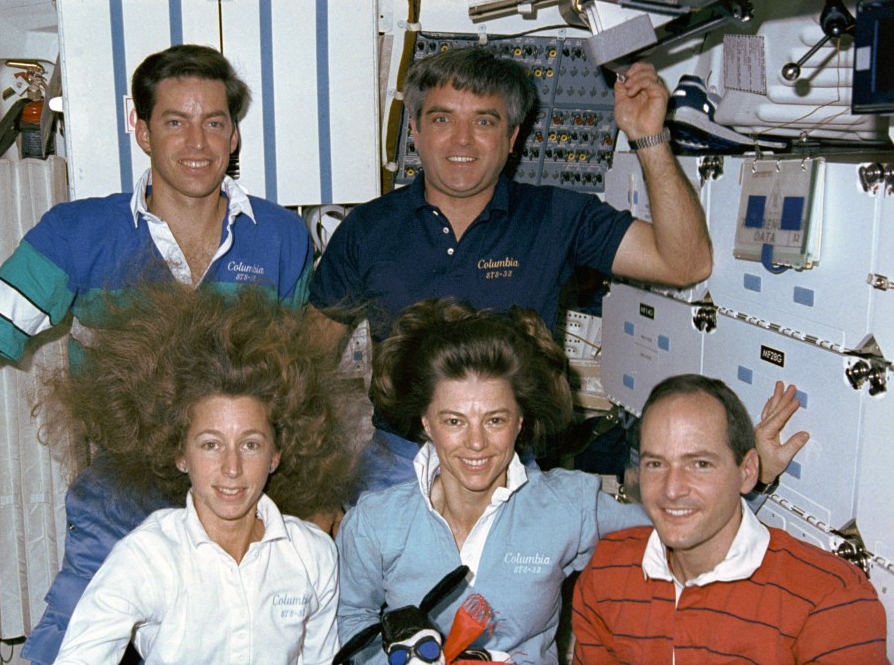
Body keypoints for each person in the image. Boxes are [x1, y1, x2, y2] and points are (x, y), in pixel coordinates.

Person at [0, 44, 314, 663]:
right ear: (140, 130)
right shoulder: (77, 233)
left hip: (238, 482)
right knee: (68, 644)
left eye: (214, 122)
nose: (197, 142)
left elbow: (300, 388)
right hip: (125, 486)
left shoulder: (283, 239)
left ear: (234, 135)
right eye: (174, 121)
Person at [308, 46, 711, 490]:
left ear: (512, 137)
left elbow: (685, 262)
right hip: (399, 468)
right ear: (416, 132)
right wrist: (316, 491)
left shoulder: (558, 215)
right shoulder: (367, 227)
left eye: (484, 121)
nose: (462, 140)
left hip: (514, 468)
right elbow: (306, 365)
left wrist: (648, 137)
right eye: (442, 119)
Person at [48, 285, 363, 664]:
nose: (232, 469)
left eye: (251, 445)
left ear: (277, 454)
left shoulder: (313, 555)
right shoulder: (148, 557)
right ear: (180, 455)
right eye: (211, 445)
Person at [336, 298, 649, 663]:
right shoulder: (376, 522)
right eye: (454, 421)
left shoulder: (567, 506)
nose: (476, 442)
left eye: (495, 420)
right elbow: (353, 616)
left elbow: (671, 533)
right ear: (427, 423)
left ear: (519, 422)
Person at [571, 374, 888, 664]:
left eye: (700, 464)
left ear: (748, 472)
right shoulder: (607, 569)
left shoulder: (828, 597)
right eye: (656, 464)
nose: (672, 489)